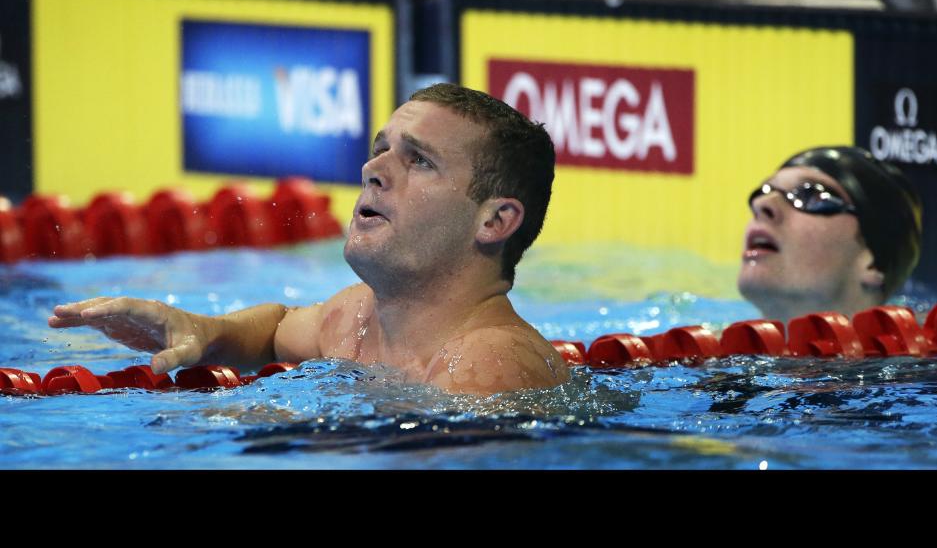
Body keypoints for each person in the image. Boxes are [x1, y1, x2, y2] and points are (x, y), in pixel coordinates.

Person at [49, 84, 569, 395]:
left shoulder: (492, 367)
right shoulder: (358, 318)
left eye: (420, 161)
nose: (373, 169)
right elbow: (276, 329)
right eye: (381, 148)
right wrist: (205, 331)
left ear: (495, 222)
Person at [737, 146, 922, 322]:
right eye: (764, 191)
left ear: (874, 261)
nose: (762, 204)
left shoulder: (932, 353)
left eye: (810, 195)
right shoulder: (713, 349)